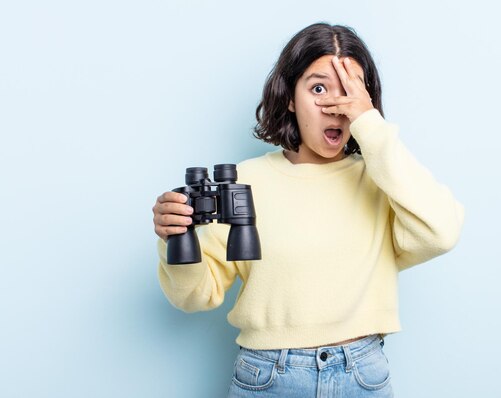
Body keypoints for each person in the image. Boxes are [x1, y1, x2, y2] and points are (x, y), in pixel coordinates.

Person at [152, 22, 464, 397]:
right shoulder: (246, 183)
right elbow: (194, 296)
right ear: (289, 96)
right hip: (268, 377)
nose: (335, 107)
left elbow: (441, 232)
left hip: (362, 374)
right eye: (318, 88)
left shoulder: (383, 179)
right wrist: (174, 237)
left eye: (349, 91)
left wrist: (371, 127)